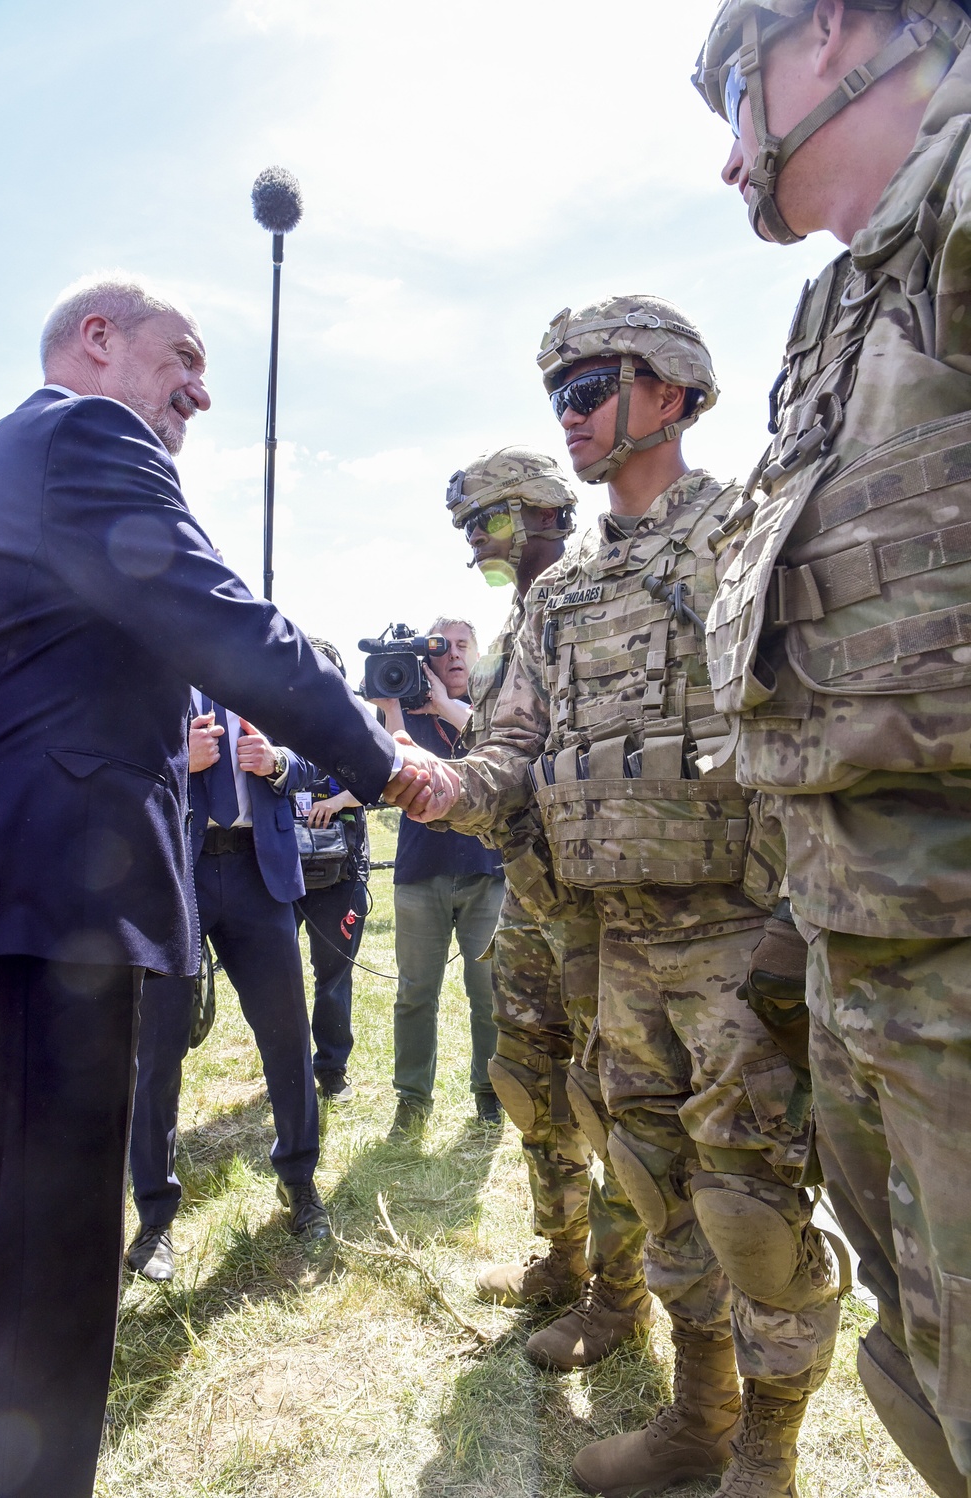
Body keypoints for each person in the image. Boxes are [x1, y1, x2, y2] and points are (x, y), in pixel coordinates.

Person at [0, 272, 449, 1498]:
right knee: (43, 1275)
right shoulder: (84, 437)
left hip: (15, 896)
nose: (201, 387)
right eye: (181, 354)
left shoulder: (11, 462)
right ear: (96, 341)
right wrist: (386, 758)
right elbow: (227, 622)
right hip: (49, 917)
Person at [413, 297, 844, 1498]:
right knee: (658, 1194)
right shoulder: (555, 598)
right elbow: (512, 752)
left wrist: (800, 923)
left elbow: (818, 723)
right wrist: (438, 782)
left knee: (752, 1204)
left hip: (738, 939)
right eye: (557, 393)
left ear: (670, 389)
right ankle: (696, 1421)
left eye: (591, 386)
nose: (571, 413)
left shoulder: (748, 540)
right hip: (611, 948)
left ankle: (769, 1452)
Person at [693, 4, 971, 1495]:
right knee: (923, 1363)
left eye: (735, 95)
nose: (729, 153)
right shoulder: (844, 308)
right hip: (867, 944)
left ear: (842, 28)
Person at [447, 449, 654, 1371]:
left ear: (543, 514)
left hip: (608, 906)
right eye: (466, 531)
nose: (475, 546)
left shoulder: (603, 601)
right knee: (531, 1085)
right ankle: (562, 1257)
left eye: (485, 524)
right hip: (529, 901)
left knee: (615, 1101)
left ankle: (621, 1295)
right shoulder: (510, 632)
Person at [127, 698, 326, 1285]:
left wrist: (278, 763)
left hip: (257, 876)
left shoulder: (261, 674)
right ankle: (154, 1219)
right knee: (157, 1051)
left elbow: (317, 757)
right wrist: (176, 762)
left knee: (288, 1037)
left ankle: (300, 1183)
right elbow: (120, 763)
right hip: (175, 874)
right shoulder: (154, 672)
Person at [373, 618, 505, 1133]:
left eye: (462, 646)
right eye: (441, 647)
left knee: (488, 991)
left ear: (476, 655)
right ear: (425, 658)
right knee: (415, 993)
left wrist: (442, 706)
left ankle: (490, 1092)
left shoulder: (495, 706)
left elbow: (492, 746)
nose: (452, 655)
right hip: (421, 872)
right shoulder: (403, 707)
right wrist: (391, 707)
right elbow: (385, 767)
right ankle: (411, 1100)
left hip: (484, 872)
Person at [295, 636, 370, 1106]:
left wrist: (341, 799)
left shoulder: (357, 724)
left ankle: (331, 1070)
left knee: (333, 976)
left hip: (340, 873)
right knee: (278, 979)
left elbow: (387, 778)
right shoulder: (273, 720)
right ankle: (287, 1069)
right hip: (282, 869)